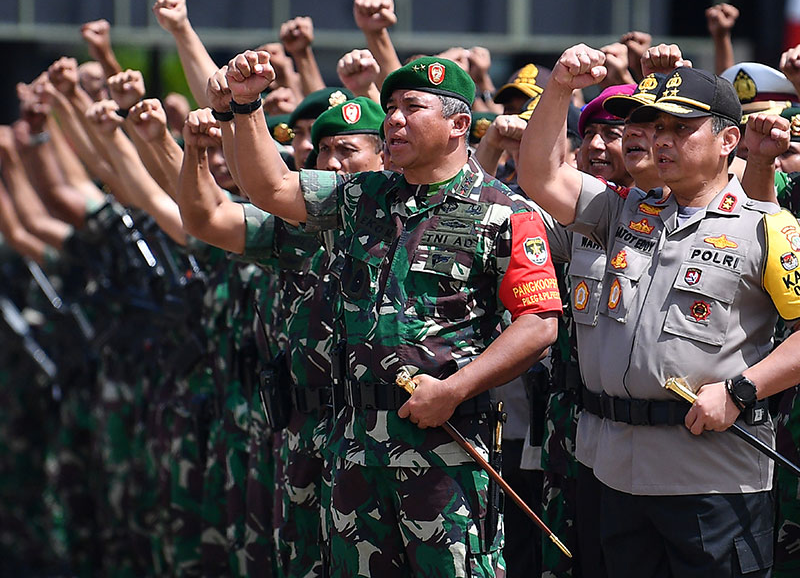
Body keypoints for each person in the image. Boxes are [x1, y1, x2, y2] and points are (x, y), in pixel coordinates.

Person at [224, 50, 561, 576]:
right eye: (391, 108)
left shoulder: (504, 211)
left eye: (412, 106)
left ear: (458, 124)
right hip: (354, 445)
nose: (395, 120)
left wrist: (454, 389)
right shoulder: (363, 194)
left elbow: (539, 324)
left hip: (445, 448)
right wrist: (246, 107)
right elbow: (271, 188)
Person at [519, 44, 800, 578]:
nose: (662, 140)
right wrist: (559, 88)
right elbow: (540, 176)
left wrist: (744, 389)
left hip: (710, 477)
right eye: (653, 127)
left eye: (681, 128)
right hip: (612, 470)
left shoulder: (768, 226)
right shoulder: (620, 209)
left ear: (728, 140)